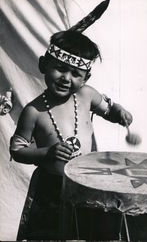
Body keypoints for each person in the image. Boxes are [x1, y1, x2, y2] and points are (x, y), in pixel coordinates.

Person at [10, 29, 133, 240]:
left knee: (92, 232)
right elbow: (17, 150)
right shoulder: (33, 111)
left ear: (86, 78)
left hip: (89, 183)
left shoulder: (87, 95)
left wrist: (120, 113)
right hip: (50, 188)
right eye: (60, 69)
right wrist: (46, 153)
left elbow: (110, 110)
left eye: (76, 74)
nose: (66, 78)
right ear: (43, 65)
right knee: (48, 234)